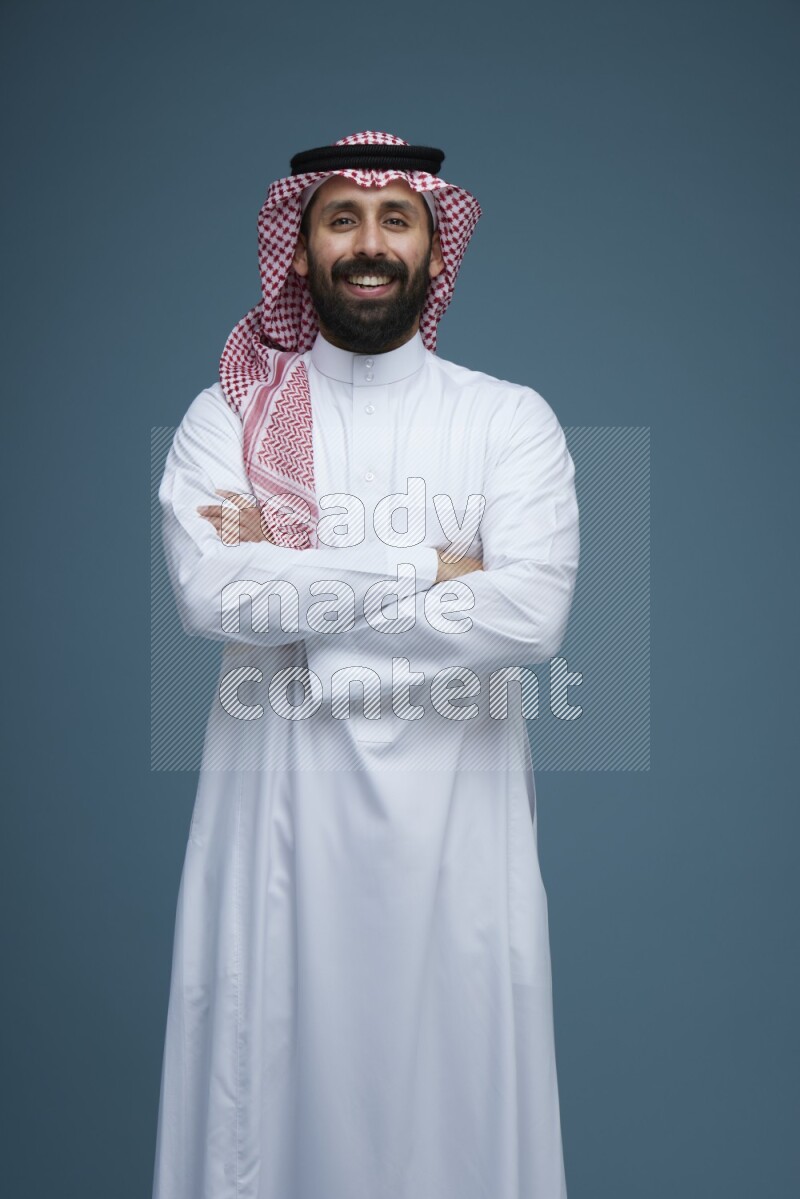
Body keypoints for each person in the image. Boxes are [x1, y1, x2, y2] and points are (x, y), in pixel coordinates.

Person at [152, 130, 579, 1199]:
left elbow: (528, 611)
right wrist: (422, 564)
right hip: (275, 824)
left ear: (436, 251)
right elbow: (213, 595)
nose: (368, 243)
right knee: (272, 1079)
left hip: (458, 832)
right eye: (340, 218)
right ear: (298, 249)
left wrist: (302, 585)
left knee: (457, 1091)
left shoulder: (506, 419)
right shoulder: (231, 416)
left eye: (396, 220)